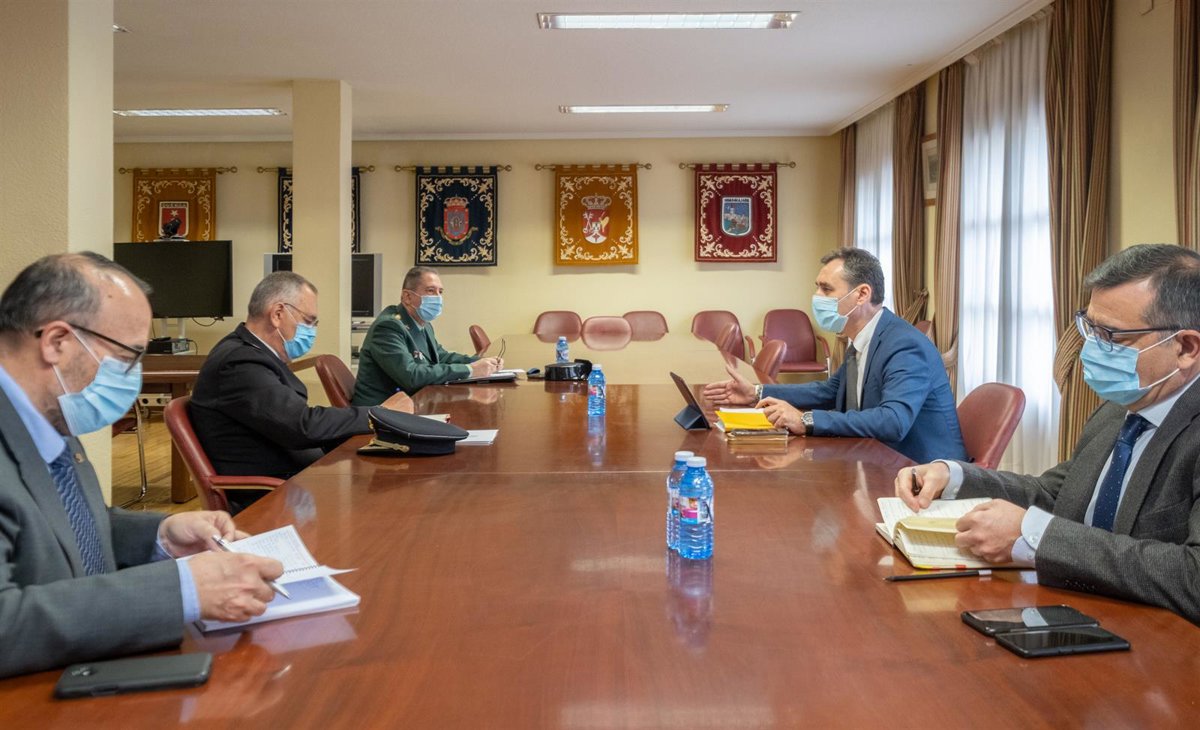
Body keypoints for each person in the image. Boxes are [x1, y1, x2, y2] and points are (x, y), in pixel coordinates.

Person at [0, 252, 284, 679]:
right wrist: (182, 590)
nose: (134, 375)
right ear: (57, 341)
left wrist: (160, 537)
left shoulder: (49, 416)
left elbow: (54, 528)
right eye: (129, 356)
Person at [895, 244, 1200, 623]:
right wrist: (953, 476)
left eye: (1112, 336)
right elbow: (1059, 494)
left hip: (1158, 641)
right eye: (1089, 328)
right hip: (1077, 611)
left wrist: (1035, 534)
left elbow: (1193, 577)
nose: (1092, 348)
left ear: (1186, 347)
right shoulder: (1119, 408)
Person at [703, 247, 966, 464]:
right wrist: (756, 393)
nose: (817, 297)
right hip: (876, 459)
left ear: (862, 294)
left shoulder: (905, 345)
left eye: (827, 290)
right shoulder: (865, 337)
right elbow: (830, 391)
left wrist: (805, 420)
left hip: (922, 473)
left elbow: (893, 421)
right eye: (817, 288)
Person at [190, 271, 413, 512]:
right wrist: (379, 414)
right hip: (271, 502)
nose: (312, 330)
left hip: (298, 484)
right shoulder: (239, 362)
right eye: (309, 321)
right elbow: (302, 426)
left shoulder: (255, 354)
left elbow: (296, 420)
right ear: (277, 314)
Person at [351, 265, 501, 404]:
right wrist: (470, 370)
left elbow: (440, 357)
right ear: (407, 297)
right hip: (382, 410)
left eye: (440, 292)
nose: (438, 298)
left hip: (412, 401)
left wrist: (480, 362)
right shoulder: (388, 327)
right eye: (430, 291)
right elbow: (411, 376)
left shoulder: (422, 323)